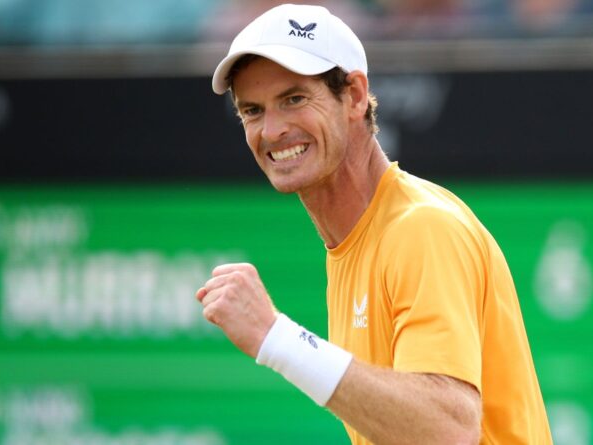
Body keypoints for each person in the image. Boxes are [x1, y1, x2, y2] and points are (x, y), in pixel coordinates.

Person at [196, 4, 552, 444]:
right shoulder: (356, 240)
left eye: (294, 99)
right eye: (252, 111)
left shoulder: (421, 228)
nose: (271, 130)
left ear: (355, 95)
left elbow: (448, 431)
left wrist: (276, 337)